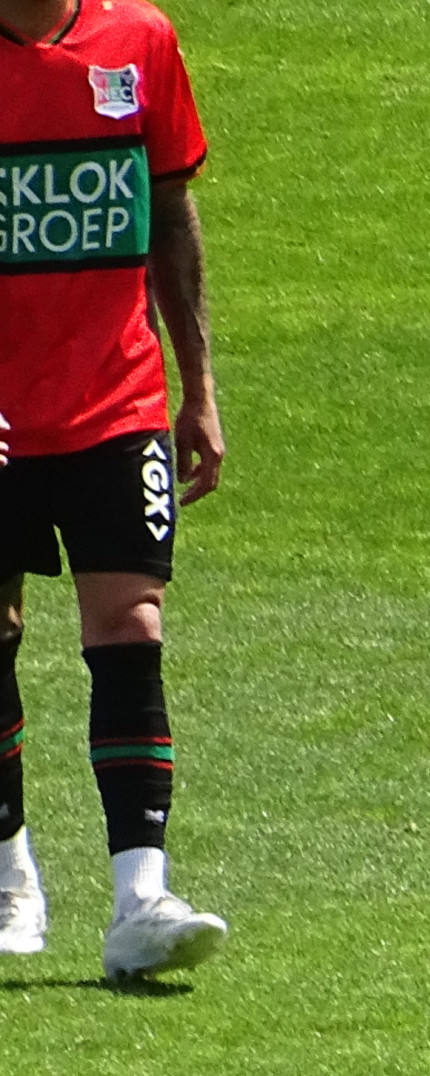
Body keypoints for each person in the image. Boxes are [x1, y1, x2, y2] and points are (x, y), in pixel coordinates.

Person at [0, 0, 227, 981]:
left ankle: (140, 898)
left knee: (131, 626)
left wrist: (200, 388)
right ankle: (9, 874)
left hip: (116, 400)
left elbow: (171, 210)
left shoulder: (141, 41)